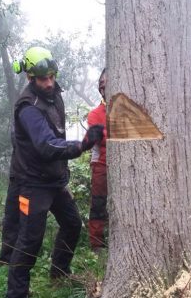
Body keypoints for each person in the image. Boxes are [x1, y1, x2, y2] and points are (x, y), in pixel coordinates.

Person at [6, 46, 104, 298]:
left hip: (54, 180)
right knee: (29, 241)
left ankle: (59, 273)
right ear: (30, 78)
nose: (49, 83)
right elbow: (46, 144)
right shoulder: (28, 106)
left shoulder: (54, 95)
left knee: (72, 223)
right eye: (42, 79)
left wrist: (63, 175)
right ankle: (17, 293)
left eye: (52, 76)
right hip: (32, 183)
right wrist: (82, 145)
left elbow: (57, 134)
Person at [87, 69, 108, 251]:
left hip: (127, 167)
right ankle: (97, 244)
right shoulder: (95, 114)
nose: (104, 87)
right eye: (102, 84)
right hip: (102, 165)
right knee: (99, 203)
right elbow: (101, 139)